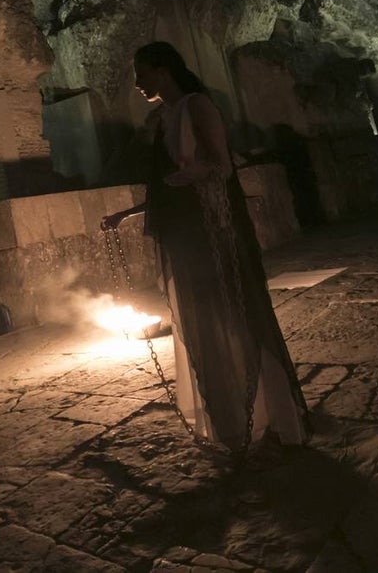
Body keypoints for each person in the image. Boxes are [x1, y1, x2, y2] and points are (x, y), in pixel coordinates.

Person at [101, 41, 311, 451]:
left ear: (163, 68)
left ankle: (274, 416)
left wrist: (191, 175)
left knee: (237, 317)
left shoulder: (197, 106)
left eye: (141, 73)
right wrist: (124, 215)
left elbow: (220, 166)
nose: (138, 83)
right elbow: (164, 186)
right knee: (207, 325)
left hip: (214, 233)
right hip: (187, 237)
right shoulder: (163, 119)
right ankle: (233, 421)